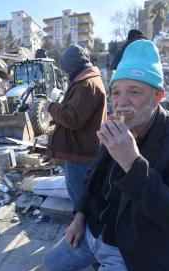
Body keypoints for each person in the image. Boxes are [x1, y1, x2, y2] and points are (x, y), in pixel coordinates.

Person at [44, 39, 169, 271]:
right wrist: (80, 216)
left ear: (158, 96)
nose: (121, 102)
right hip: (94, 230)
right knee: (53, 263)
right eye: (116, 92)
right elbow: (94, 175)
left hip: (132, 248)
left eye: (134, 91)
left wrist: (132, 163)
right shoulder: (119, 124)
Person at [45, 44, 106, 209]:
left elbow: (72, 119)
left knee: (78, 196)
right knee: (84, 193)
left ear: (72, 66)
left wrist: (51, 106)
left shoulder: (86, 84)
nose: (65, 72)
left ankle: (82, 228)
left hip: (79, 153)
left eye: (65, 68)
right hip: (83, 148)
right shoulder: (88, 80)